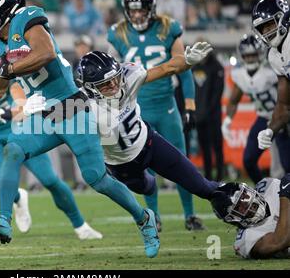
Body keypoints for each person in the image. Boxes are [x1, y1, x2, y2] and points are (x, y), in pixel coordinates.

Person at [0, 0, 160, 258]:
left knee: (96, 178)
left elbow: (45, 53)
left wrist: (10, 68)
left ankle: (144, 218)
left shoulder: (26, 19)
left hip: (70, 105)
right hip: (45, 111)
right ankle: (4, 220)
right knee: (13, 149)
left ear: (5, 7)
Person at [0, 20, 101, 239]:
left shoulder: (4, 63)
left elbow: (22, 103)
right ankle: (17, 199)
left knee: (50, 180)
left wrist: (5, 113)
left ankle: (80, 225)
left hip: (19, 126)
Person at [70, 48, 222, 222]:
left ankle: (234, 200)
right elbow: (51, 128)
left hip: (148, 143)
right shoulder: (80, 106)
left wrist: (187, 61)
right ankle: (152, 211)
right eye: (105, 84)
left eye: (115, 78)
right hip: (121, 164)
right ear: (90, 88)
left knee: (201, 185)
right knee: (147, 187)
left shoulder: (129, 76)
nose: (114, 85)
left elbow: (166, 69)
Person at [107, 0, 202, 231]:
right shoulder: (118, 33)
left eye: (142, 10)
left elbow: (183, 66)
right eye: (132, 11)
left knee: (181, 160)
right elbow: (110, 74)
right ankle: (154, 216)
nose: (137, 16)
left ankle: (190, 215)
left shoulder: (169, 27)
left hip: (166, 106)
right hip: (135, 109)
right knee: (142, 163)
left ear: (151, 9)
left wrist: (189, 104)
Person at [222, 34, 280, 184]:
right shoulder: (240, 75)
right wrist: (227, 120)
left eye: (253, 55)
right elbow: (234, 100)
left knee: (281, 167)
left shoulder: (272, 70)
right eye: (247, 56)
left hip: (281, 119)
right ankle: (264, 191)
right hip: (263, 117)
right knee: (248, 160)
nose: (250, 59)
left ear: (260, 54)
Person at [211, 174, 290, 259]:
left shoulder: (269, 186)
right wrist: (285, 195)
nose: (246, 203)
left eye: (244, 196)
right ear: (232, 219)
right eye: (238, 207)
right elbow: (280, 241)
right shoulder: (246, 240)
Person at [253, 0, 290, 174]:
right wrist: (270, 130)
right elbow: (284, 106)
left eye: (270, 25)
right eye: (263, 28)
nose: (267, 32)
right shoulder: (274, 56)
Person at [192, 39, 225, 181]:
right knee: (204, 148)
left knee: (217, 147)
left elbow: (218, 93)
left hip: (213, 115)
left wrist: (207, 111)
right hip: (199, 116)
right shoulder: (193, 67)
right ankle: (207, 177)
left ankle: (219, 177)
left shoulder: (217, 67)